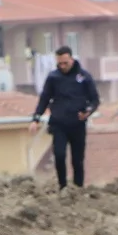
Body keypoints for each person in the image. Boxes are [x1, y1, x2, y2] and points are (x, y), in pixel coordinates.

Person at [29, 46, 103, 188]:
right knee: (59, 155)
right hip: (59, 124)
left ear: (71, 59)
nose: (63, 66)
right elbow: (44, 99)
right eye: (60, 64)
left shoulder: (84, 77)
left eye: (65, 63)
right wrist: (36, 119)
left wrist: (88, 111)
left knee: (77, 160)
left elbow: (95, 100)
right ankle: (62, 186)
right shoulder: (53, 78)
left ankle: (78, 188)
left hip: (78, 124)